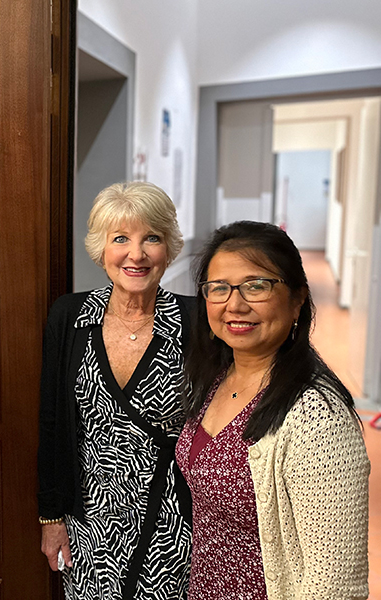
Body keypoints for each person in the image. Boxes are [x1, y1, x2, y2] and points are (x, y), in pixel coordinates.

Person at [177, 220, 369, 599]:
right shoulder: (215, 377)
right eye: (219, 288)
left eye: (257, 285)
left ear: (298, 298)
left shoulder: (317, 417)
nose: (235, 304)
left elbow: (335, 583)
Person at [38, 182, 193, 599]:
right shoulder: (69, 316)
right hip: (88, 525)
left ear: (169, 247)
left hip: (174, 526)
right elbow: (52, 421)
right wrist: (51, 518)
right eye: (120, 238)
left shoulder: (196, 323)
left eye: (152, 238)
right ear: (102, 248)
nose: (136, 254)